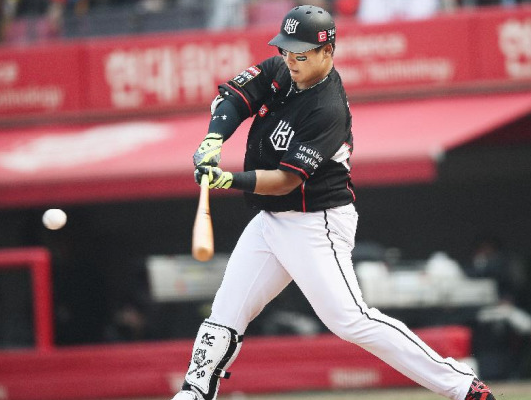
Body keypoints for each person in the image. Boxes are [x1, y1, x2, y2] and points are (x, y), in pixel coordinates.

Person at [172, 5, 496, 400]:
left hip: (316, 222)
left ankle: (463, 386)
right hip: (271, 220)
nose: (290, 59)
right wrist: (213, 139)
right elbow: (235, 99)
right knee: (226, 311)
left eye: (300, 52)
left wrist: (228, 179)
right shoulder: (282, 69)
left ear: (327, 52)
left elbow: (286, 181)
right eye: (285, 49)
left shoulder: (328, 109)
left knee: (350, 320)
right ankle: (195, 391)